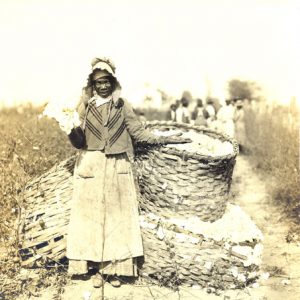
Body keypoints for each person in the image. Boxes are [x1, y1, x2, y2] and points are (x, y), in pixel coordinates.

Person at [60, 57, 191, 288]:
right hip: (91, 165)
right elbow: (78, 141)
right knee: (91, 218)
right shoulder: (85, 106)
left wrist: (167, 140)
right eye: (98, 82)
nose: (103, 86)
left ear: (113, 82)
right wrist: (69, 129)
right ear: (92, 83)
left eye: (107, 81)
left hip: (117, 166)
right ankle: (95, 269)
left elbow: (138, 133)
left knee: (117, 218)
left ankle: (115, 270)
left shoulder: (122, 105)